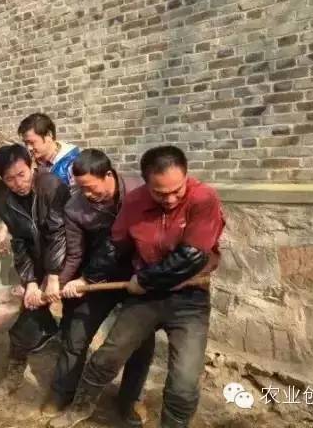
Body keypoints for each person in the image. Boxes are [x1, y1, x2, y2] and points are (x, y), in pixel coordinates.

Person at [50, 146, 225, 428]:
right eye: (160, 193)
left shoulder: (204, 198)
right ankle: (79, 408)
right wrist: (88, 278)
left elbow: (192, 257)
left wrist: (143, 280)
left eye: (176, 190)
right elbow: (114, 245)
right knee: (107, 356)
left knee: (184, 382)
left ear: (186, 176)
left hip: (189, 298)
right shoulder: (135, 202)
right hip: (147, 300)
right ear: (146, 184)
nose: (170, 199)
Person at [41, 149, 155, 428]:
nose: (87, 196)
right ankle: (62, 391)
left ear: (108, 175)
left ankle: (130, 399)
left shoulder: (141, 192)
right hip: (97, 279)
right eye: (80, 189)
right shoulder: (75, 208)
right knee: (75, 335)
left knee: (140, 343)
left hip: (140, 278)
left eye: (91, 188)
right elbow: (75, 253)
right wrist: (61, 281)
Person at [0, 143, 71, 399]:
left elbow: (60, 233)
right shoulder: (7, 207)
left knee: (77, 328)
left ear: (32, 166)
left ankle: (67, 386)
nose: (17, 183)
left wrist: (53, 275)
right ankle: (14, 373)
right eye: (9, 179)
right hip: (40, 266)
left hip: (71, 262)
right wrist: (31, 282)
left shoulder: (52, 187)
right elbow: (21, 245)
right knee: (25, 322)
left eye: (21, 174)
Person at [0, 113, 80, 252]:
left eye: (32, 142)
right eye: (26, 143)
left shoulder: (73, 165)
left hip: (69, 241)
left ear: (49, 135)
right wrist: (6, 228)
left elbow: (77, 211)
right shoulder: (32, 163)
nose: (29, 148)